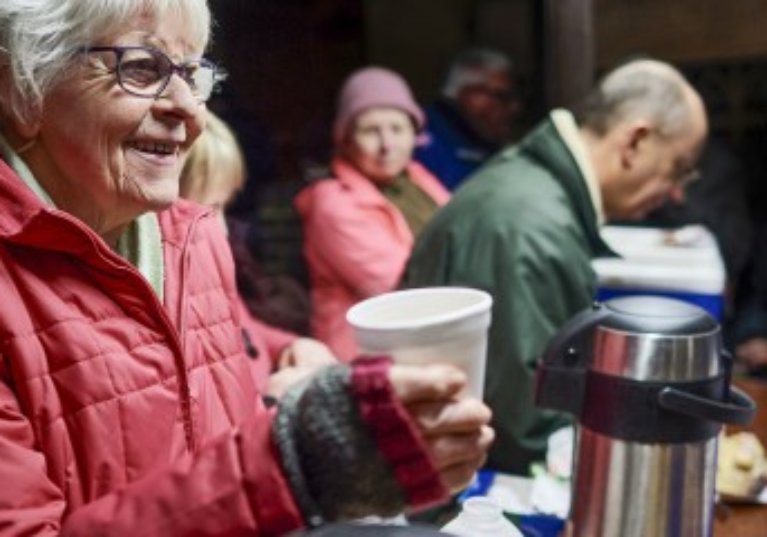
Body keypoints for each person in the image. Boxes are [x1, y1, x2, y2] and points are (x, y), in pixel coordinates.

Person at [0, 1, 494, 534]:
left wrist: (385, 471)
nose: (189, 108)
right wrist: (296, 461)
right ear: (22, 89)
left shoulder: (193, 239)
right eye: (141, 68)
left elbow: (228, 461)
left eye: (192, 74)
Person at [404, 58, 708, 475]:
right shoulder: (529, 223)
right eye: (678, 168)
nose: (676, 193)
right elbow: (524, 424)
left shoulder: (538, 191)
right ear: (636, 140)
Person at [295, 67, 450, 361]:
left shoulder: (416, 179)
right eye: (370, 131)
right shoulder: (332, 202)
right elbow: (399, 287)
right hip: (366, 358)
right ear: (347, 139)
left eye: (398, 128)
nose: (387, 145)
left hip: (419, 342)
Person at [179, 111, 335, 398]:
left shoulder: (207, 265)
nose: (224, 227)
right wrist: (270, 397)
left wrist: (290, 345)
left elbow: (244, 328)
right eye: (210, 210)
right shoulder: (173, 292)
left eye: (225, 207)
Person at [414, 48, 520, 191]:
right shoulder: (424, 142)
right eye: (502, 96)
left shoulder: (482, 137)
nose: (514, 107)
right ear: (470, 95)